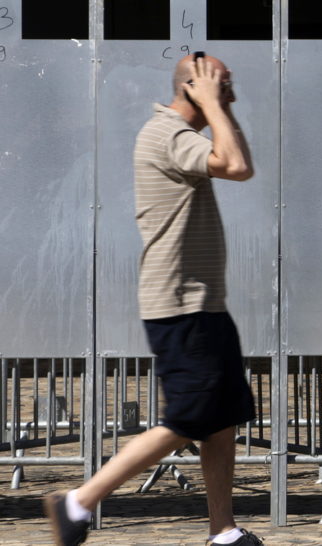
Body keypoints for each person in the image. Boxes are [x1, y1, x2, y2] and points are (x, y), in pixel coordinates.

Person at [44, 54, 261, 546]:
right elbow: (238, 165)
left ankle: (223, 530)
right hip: (180, 304)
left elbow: (235, 160)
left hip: (203, 302)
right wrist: (211, 104)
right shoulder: (166, 135)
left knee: (221, 420)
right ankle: (77, 501)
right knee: (187, 418)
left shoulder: (183, 135)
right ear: (191, 87)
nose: (232, 96)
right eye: (223, 85)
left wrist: (214, 105)